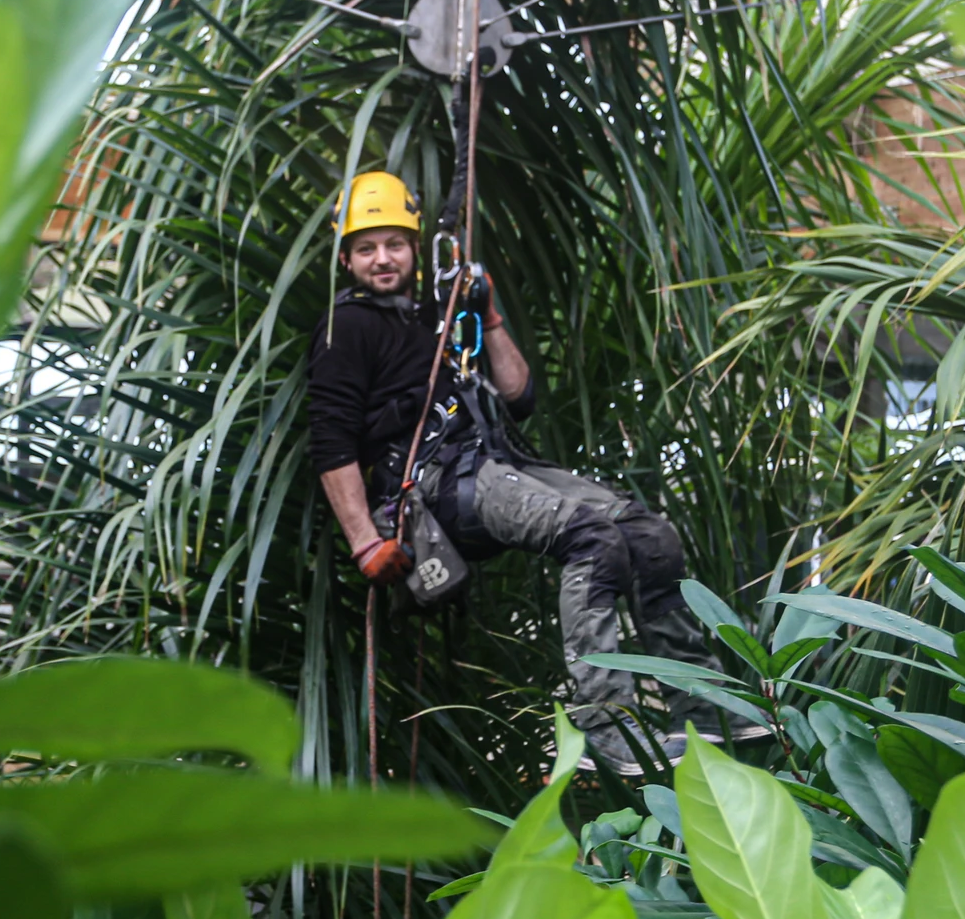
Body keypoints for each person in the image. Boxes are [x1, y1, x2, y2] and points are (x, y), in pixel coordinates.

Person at [306, 168, 736, 774]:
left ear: (414, 246)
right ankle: (602, 730)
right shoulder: (345, 326)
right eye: (367, 248)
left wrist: (488, 309)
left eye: (395, 244)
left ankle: (705, 710)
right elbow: (331, 444)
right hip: (432, 485)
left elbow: (518, 394)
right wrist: (362, 542)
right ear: (347, 258)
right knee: (590, 538)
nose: (382, 259)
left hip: (491, 462)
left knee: (649, 536)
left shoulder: (436, 315)